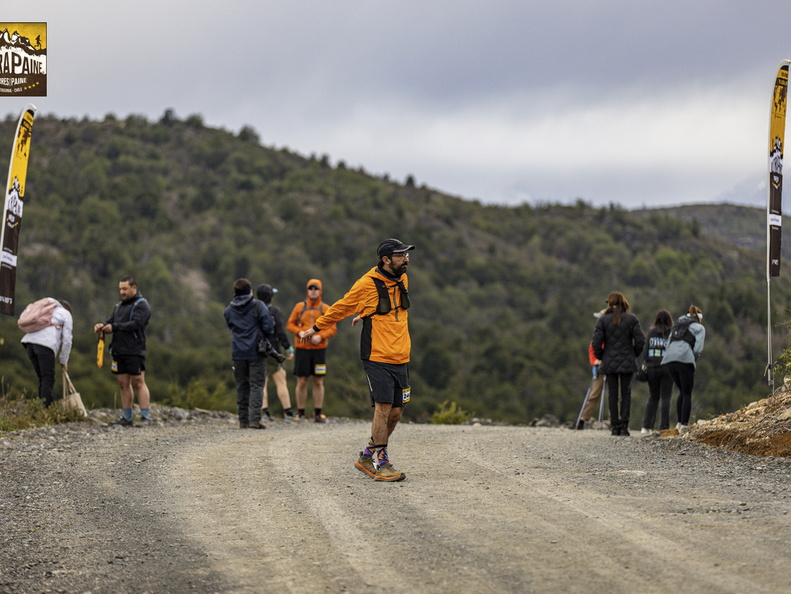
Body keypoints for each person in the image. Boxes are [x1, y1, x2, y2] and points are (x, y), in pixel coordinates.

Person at [300, 238, 414, 482]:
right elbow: (342, 307)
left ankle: (367, 456)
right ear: (386, 259)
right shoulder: (366, 284)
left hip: (401, 355)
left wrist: (365, 314)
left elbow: (388, 307)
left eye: (407, 255)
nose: (406, 259)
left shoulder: (402, 278)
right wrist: (315, 328)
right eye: (401, 255)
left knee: (397, 412)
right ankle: (381, 463)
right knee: (383, 407)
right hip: (376, 355)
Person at [94, 276, 152, 427]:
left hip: (134, 349)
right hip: (118, 350)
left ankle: (145, 417)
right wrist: (102, 326)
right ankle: (127, 418)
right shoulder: (118, 306)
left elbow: (136, 323)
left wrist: (115, 327)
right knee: (122, 383)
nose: (122, 292)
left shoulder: (142, 305)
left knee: (138, 382)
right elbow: (111, 321)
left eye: (125, 289)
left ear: (134, 288)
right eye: (120, 289)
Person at [592, 291, 645, 437]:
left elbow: (596, 342)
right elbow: (640, 340)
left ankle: (614, 427)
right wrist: (633, 354)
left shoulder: (603, 320)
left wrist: (602, 356)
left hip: (609, 362)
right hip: (627, 361)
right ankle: (624, 426)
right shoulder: (631, 319)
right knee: (626, 394)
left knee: (613, 395)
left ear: (609, 303)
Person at [224, 278, 275, 429]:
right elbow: (269, 327)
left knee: (242, 386)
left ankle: (243, 420)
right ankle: (254, 420)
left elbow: (231, 326)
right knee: (256, 385)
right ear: (250, 291)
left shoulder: (229, 310)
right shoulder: (258, 305)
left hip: (238, 352)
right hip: (256, 352)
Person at [286, 279, 337, 422]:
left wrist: (320, 336)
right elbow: (289, 324)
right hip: (302, 348)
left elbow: (333, 327)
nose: (313, 291)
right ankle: (301, 413)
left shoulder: (325, 308)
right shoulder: (299, 307)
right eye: (310, 288)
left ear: (320, 291)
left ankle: (318, 413)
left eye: (316, 288)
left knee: (318, 380)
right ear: (307, 290)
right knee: (302, 380)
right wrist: (300, 332)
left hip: (319, 349)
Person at [661, 305, 706, 435]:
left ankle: (679, 423)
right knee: (687, 393)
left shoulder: (676, 325)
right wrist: (692, 358)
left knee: (681, 390)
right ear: (699, 318)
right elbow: (698, 348)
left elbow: (668, 344)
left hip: (669, 361)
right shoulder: (699, 328)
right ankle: (684, 426)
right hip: (685, 360)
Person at [21, 298, 73, 406]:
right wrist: (63, 361)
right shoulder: (66, 314)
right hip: (45, 345)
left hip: (29, 343)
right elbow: (67, 340)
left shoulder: (47, 309)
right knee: (47, 378)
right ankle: (46, 408)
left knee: (42, 377)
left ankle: (40, 406)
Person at [256, 283, 296, 421]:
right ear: (270, 297)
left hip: (257, 350)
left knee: (262, 382)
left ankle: (264, 413)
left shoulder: (253, 310)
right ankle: (288, 413)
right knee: (280, 380)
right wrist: (288, 348)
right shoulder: (274, 311)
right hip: (272, 350)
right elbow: (281, 332)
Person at [639, 309, 675, 435]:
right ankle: (663, 427)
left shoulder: (651, 331)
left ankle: (646, 427)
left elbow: (646, 350)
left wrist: (644, 363)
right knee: (666, 397)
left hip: (652, 367)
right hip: (667, 367)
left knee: (653, 397)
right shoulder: (672, 332)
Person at [576, 308, 607, 429]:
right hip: (600, 367)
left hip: (612, 366)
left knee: (615, 395)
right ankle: (584, 418)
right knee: (594, 393)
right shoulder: (598, 334)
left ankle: (613, 420)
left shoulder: (610, 332)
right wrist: (595, 362)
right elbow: (592, 349)